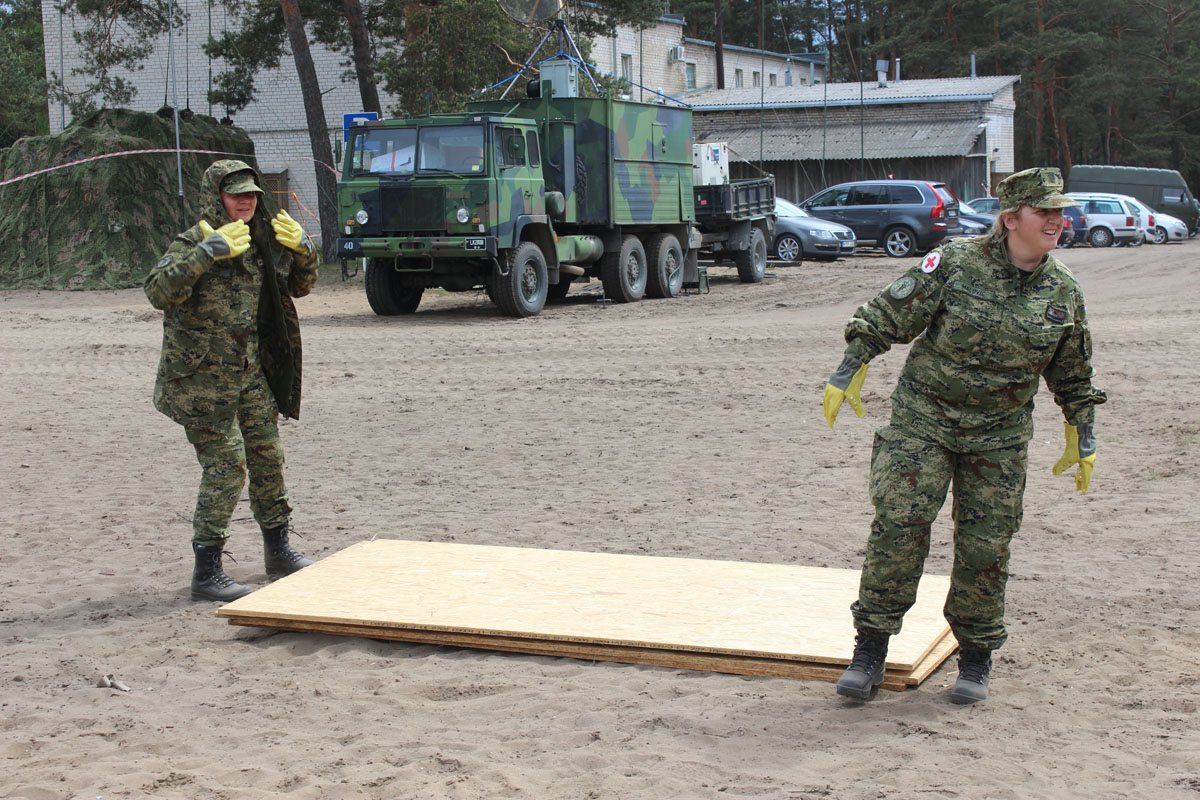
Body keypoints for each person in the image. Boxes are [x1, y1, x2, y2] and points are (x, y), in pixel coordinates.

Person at [822, 168, 1106, 704]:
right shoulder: (955, 264)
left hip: (998, 435)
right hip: (923, 419)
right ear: (1010, 218)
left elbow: (1073, 373)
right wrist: (851, 364)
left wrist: (1081, 430)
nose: (1056, 220)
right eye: (1043, 211)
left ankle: (976, 657)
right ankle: (871, 649)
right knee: (900, 524)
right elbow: (888, 313)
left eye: (1059, 211)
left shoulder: (1063, 292)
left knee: (987, 546)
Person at [145, 159, 320, 601]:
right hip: (202, 381)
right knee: (227, 466)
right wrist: (207, 253)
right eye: (235, 193)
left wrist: (305, 250)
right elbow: (158, 291)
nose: (245, 201)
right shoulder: (194, 240)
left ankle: (278, 551)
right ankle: (207, 573)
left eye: (252, 193)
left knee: (267, 457)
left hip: (249, 372)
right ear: (214, 198)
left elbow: (299, 285)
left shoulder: (263, 240)